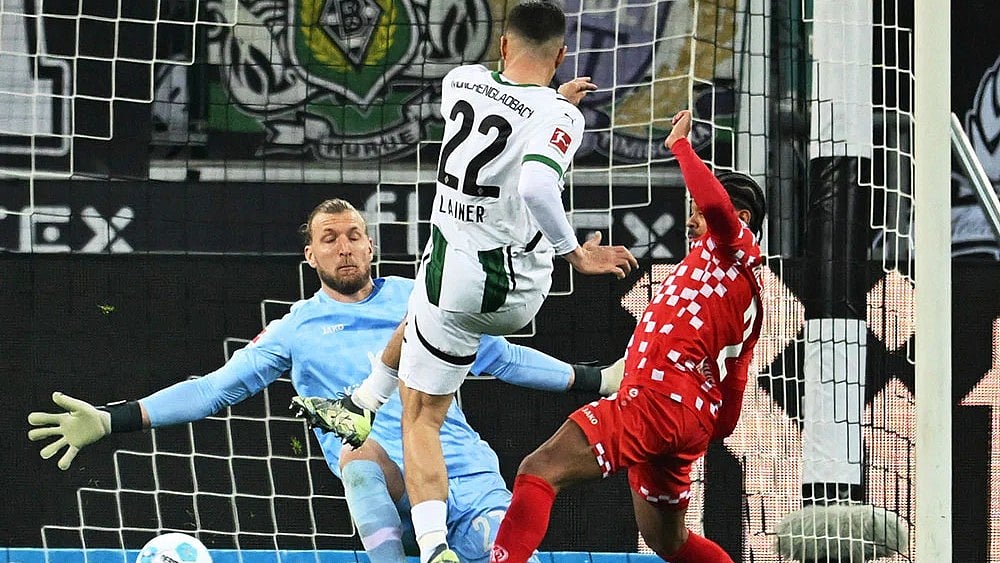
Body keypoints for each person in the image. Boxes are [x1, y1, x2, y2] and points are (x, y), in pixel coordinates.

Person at [26, 198, 624, 563]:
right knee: (357, 454)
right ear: (310, 257)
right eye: (329, 239)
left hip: (462, 471)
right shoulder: (296, 330)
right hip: (385, 479)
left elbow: (503, 358)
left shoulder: (421, 298)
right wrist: (112, 417)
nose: (344, 247)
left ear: (371, 244)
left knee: (500, 546)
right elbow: (212, 389)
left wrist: (600, 379)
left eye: (354, 235)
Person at [301, 4, 639, 563]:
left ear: (503, 46)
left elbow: (521, 164)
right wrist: (574, 249)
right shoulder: (559, 113)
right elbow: (534, 173)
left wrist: (571, 246)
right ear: (559, 57)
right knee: (423, 307)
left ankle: (433, 547)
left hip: (467, 280)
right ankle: (362, 400)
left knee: (420, 414)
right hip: (510, 286)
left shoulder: (463, 80)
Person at [488, 109, 767, 563]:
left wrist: (680, 146)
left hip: (656, 400)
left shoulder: (733, 249)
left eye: (698, 211)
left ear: (742, 217)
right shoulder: (744, 295)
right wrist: (690, 432)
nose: (694, 218)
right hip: (686, 420)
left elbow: (716, 207)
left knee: (539, 470)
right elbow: (732, 397)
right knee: (668, 542)